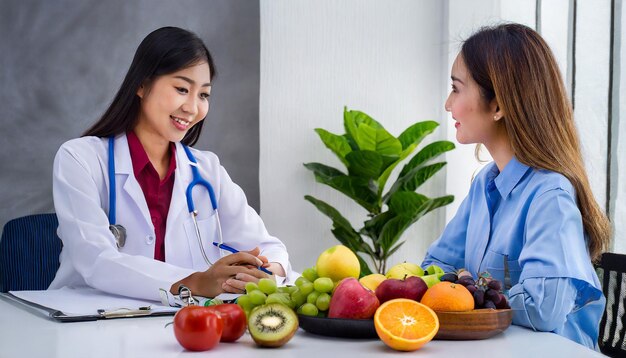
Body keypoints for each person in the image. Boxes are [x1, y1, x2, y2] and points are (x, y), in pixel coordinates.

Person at [49, 27, 294, 302]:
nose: (192, 107)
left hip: (179, 327)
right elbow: (96, 260)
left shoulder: (207, 170)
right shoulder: (79, 159)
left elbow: (270, 247)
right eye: (181, 89)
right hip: (86, 321)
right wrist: (197, 282)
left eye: (203, 95)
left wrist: (267, 272)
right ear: (141, 85)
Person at [421, 23, 610, 350]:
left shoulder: (550, 195)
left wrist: (467, 285)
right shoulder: (485, 185)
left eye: (456, 88)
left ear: (497, 106)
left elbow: (544, 309)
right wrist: (477, 288)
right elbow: (434, 269)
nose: (448, 105)